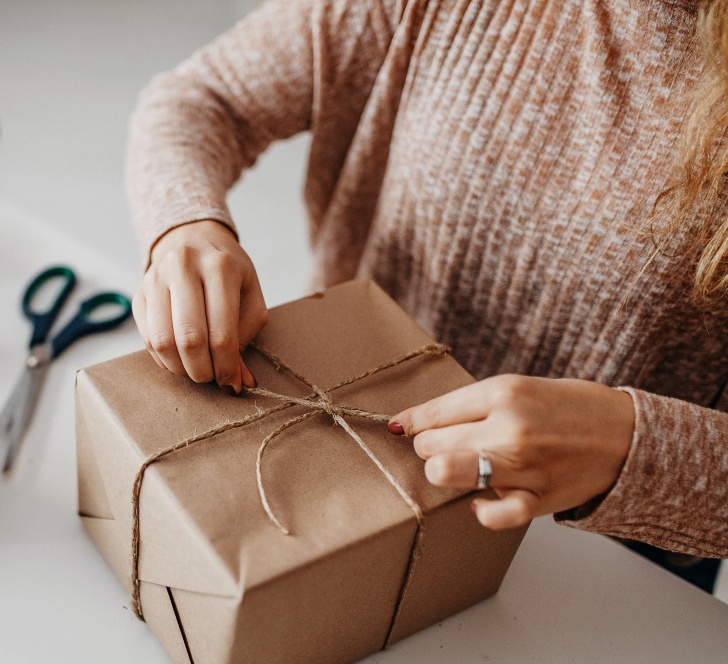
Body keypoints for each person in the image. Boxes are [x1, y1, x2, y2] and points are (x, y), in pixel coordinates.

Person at [125, 0, 728, 586]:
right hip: (330, 473)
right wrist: (187, 225)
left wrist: (634, 446)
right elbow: (201, 100)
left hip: (603, 585)